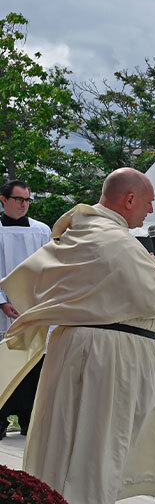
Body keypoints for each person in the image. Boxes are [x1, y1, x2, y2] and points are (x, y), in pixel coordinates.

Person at [0, 168, 155, 504]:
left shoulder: (81, 232)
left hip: (77, 347)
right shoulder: (114, 239)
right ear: (129, 199)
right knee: (103, 435)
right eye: (148, 202)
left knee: (75, 436)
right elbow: (152, 299)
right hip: (109, 353)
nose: (149, 210)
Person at [0, 180, 52, 437]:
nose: (24, 204)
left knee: (33, 364)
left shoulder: (42, 231)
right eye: (19, 199)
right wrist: (2, 301)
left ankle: (29, 420)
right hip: (2, 310)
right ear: (4, 200)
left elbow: (50, 268)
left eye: (27, 200)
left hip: (34, 307)